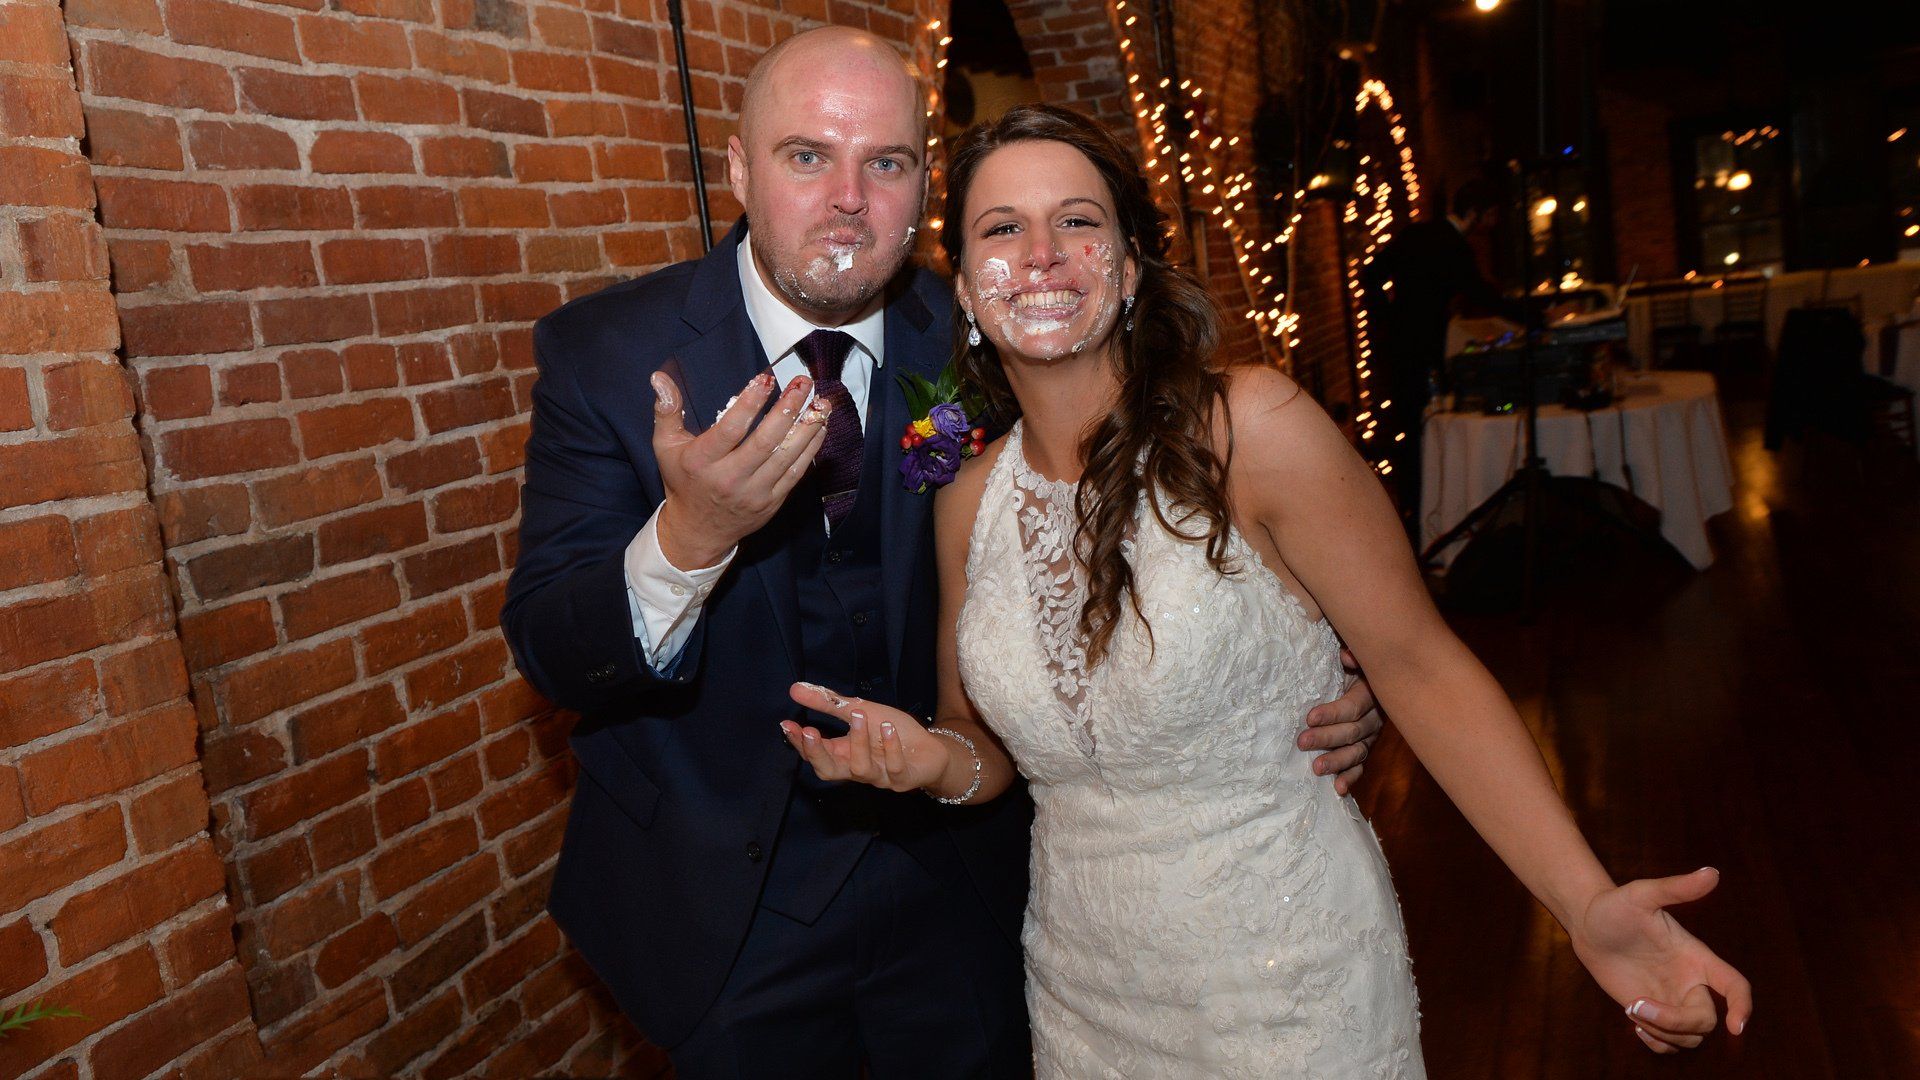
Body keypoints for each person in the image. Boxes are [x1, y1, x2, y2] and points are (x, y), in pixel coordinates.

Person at [783, 104, 1752, 1078]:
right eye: (1003, 228)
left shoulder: (1252, 430)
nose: (1041, 253)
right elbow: (982, 741)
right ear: (966, 290)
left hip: (1284, 982)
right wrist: (924, 760)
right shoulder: (965, 497)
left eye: (1077, 221)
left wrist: (1584, 903)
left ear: (1126, 270)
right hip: (1082, 994)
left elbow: (1421, 668)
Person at [501, 28, 1383, 1077]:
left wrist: (1310, 668)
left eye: (885, 162)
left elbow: (1155, 509)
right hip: (725, 913)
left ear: (922, 183)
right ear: (739, 170)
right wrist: (687, 540)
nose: (847, 198)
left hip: (968, 882)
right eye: (806, 156)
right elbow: (556, 653)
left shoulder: (986, 327)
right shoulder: (606, 356)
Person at [1363, 177, 1529, 516]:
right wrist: (1534, 317)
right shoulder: (1453, 246)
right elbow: (1480, 293)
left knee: (1413, 426)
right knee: (1419, 427)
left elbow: (1371, 275)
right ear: (1475, 212)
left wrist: (1388, 319)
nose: (1495, 222)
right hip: (1420, 347)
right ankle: (1425, 508)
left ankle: (1417, 508)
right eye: (1492, 214)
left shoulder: (1417, 233)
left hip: (1403, 344)